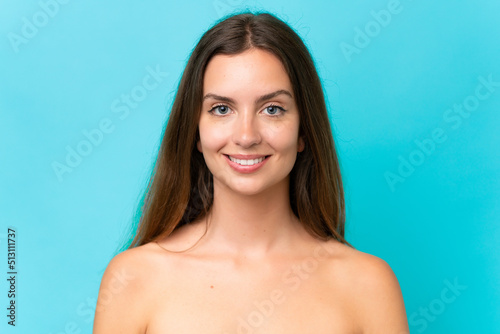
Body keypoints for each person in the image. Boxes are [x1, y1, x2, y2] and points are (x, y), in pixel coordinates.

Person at [93, 11, 409, 333]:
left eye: (272, 109)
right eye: (221, 109)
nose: (246, 136)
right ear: (195, 132)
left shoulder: (368, 285)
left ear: (303, 131)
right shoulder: (133, 279)